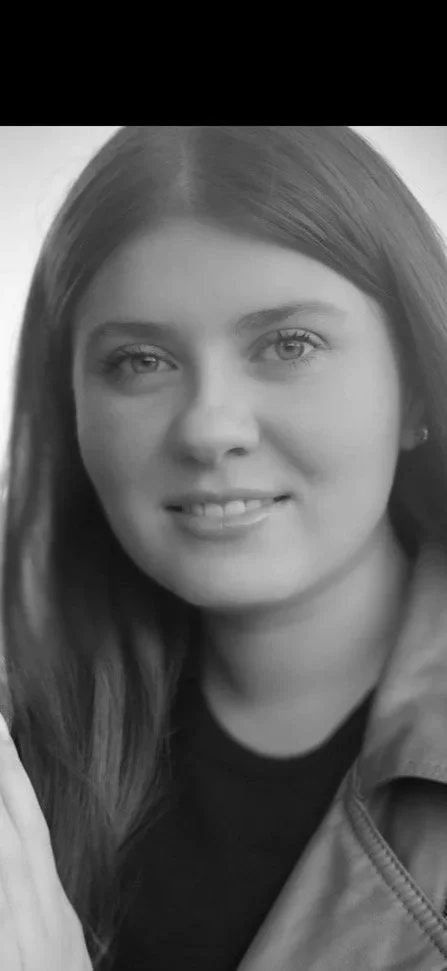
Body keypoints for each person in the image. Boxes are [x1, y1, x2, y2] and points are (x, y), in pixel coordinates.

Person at [1, 126, 447, 971]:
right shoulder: (21, 735)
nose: (209, 426)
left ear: (417, 385)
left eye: (288, 345)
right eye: (139, 360)